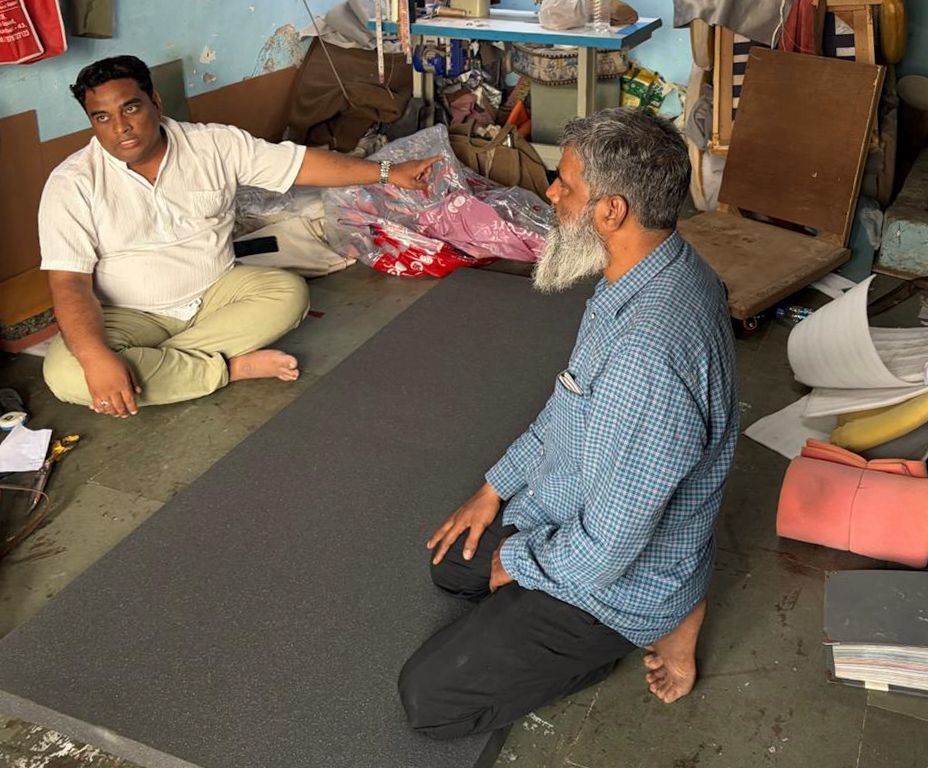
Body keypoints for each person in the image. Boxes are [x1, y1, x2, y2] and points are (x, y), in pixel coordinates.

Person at [398, 108, 738, 738]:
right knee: (451, 567)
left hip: (625, 577)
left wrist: (521, 561)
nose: (551, 193)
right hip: (584, 512)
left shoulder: (649, 356)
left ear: (611, 212)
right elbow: (570, 402)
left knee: (428, 702)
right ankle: (554, 602)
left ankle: (655, 620)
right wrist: (493, 487)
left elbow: (610, 546)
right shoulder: (647, 270)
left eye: (566, 184)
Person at [40, 55, 438, 418]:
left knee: (287, 294)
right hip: (126, 314)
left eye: (130, 108)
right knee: (65, 374)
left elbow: (300, 165)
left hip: (217, 294)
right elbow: (69, 283)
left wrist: (389, 173)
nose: (120, 127)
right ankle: (229, 368)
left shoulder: (213, 144)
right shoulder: (72, 182)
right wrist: (95, 358)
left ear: (155, 102)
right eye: (102, 117)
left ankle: (155, 369)